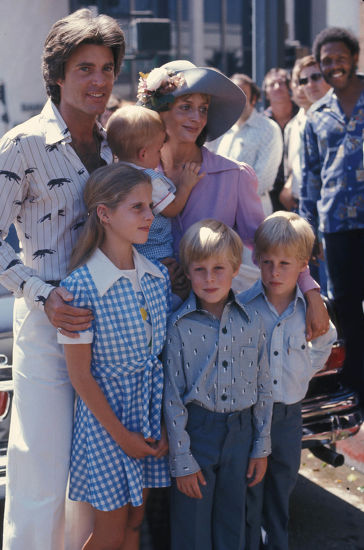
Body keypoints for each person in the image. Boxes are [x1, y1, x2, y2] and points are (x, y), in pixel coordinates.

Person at [0, 9, 125, 549]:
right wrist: (42, 295)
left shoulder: (118, 142)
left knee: (95, 482)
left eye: (107, 68)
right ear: (57, 74)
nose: (98, 81)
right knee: (42, 478)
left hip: (113, 329)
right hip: (49, 330)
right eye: (84, 69)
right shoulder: (20, 145)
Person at [137, 59, 329, 337]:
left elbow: (271, 246)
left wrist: (310, 291)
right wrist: (150, 264)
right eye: (186, 107)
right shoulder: (138, 177)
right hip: (148, 321)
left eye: (203, 109)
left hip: (213, 327)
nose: (197, 117)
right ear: (158, 112)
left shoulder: (234, 176)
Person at [57, 163, 170, 550]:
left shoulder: (156, 277)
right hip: (108, 425)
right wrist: (123, 437)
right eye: (137, 207)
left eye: (150, 206)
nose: (150, 216)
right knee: (109, 532)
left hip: (148, 414)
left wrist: (164, 425)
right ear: (104, 214)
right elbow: (81, 377)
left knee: (137, 521)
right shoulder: (80, 287)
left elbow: (160, 360)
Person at [163, 219, 273, 550]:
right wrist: (182, 459)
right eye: (200, 270)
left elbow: (264, 386)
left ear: (236, 268)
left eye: (218, 269)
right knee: (192, 526)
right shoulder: (178, 327)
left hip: (241, 433)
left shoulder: (253, 322)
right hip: (197, 433)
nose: (209, 279)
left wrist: (260, 446)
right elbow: (172, 398)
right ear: (188, 271)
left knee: (233, 524)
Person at [241, 211, 336, 550]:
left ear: (302, 265)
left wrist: (303, 373)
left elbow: (325, 340)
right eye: (267, 262)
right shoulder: (244, 306)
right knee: (249, 492)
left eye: (284, 263)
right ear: (256, 260)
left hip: (288, 417)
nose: (275, 271)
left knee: (282, 488)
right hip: (250, 414)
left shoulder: (308, 310)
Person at [300, 27, 364, 406]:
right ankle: (357, 385)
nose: (332, 65)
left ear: (354, 57)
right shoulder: (316, 116)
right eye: (325, 61)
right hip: (337, 226)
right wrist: (308, 233)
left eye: (339, 57)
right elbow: (310, 178)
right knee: (347, 307)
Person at [106, 104, 203, 263]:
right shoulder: (148, 179)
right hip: (155, 251)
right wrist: (186, 185)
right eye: (158, 150)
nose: (160, 155)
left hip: (128, 252)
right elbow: (171, 210)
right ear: (143, 154)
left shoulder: (113, 174)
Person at [208, 73, 282, 217]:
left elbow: (263, 180)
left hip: (254, 215)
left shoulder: (268, 129)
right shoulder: (222, 129)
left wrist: (226, 196)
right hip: (222, 214)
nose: (234, 99)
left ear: (254, 99)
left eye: (241, 94)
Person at [280, 55, 330, 212]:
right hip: (300, 206)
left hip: (330, 205)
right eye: (303, 81)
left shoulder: (342, 118)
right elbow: (294, 167)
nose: (309, 85)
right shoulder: (294, 126)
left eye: (316, 77)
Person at [263, 68, 299, 211]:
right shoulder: (262, 123)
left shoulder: (301, 117)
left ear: (289, 87)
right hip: (269, 192)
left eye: (281, 83)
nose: (277, 87)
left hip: (298, 189)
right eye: (272, 84)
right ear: (266, 92)